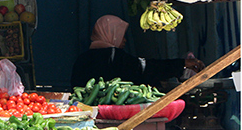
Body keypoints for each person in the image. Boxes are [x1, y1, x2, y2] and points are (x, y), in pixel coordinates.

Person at [70, 15, 204, 89]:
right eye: (121, 35)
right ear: (113, 35)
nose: (125, 40)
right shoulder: (116, 57)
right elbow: (147, 68)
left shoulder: (82, 59)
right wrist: (182, 64)